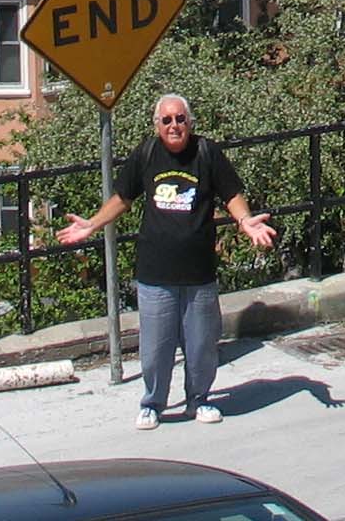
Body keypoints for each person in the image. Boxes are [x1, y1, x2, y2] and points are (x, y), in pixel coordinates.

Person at [58, 93, 276, 427]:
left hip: (199, 272)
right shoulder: (147, 154)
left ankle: (199, 400)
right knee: (156, 348)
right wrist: (92, 224)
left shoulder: (207, 152)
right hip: (155, 272)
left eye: (180, 119)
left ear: (190, 122)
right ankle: (153, 403)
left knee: (202, 345)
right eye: (167, 120)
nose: (174, 125)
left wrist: (245, 222)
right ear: (157, 125)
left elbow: (231, 194)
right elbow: (122, 198)